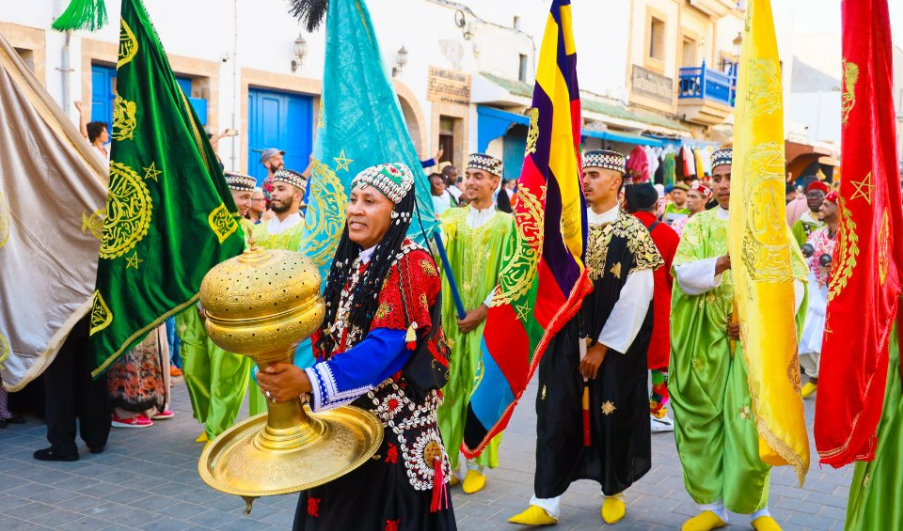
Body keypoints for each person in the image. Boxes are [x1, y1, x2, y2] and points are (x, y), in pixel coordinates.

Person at [256, 162, 456, 530]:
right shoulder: (352, 263)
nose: (355, 209)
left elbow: (388, 347)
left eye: (370, 201)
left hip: (390, 440)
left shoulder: (411, 263)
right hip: (343, 429)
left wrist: (310, 381)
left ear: (397, 212)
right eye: (352, 200)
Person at [509, 150, 662, 526]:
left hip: (612, 348)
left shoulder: (633, 233)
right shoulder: (567, 231)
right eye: (584, 174)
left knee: (611, 416)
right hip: (564, 339)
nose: (587, 182)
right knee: (554, 413)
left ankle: (613, 490)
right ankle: (545, 501)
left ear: (616, 181)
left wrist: (602, 346)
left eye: (594, 174)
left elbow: (637, 296)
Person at [670, 147, 806, 531]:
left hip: (753, 346)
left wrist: (754, 322)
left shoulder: (770, 226)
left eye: (732, 177)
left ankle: (758, 509)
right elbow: (682, 275)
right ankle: (714, 506)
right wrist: (722, 262)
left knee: (750, 425)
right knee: (705, 423)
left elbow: (793, 283)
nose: (725, 185)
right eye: (718, 178)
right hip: (705, 344)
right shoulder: (698, 225)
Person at [436, 153, 514, 494]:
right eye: (467, 175)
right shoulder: (451, 217)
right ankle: (450, 461)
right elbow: (438, 248)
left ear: (494, 183)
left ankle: (479, 460)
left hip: (488, 323)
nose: (469, 181)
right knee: (448, 389)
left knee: (482, 389)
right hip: (451, 322)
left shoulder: (507, 226)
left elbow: (514, 276)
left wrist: (482, 310)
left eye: (478, 176)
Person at [176, 171, 257, 442]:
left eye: (249, 197)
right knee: (193, 367)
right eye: (242, 196)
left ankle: (218, 430)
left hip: (230, 311)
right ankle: (209, 418)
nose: (248, 203)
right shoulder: (201, 227)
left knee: (226, 372)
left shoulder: (247, 230)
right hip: (194, 307)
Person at [247, 168, 309, 416]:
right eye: (273, 188)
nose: (274, 193)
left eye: (281, 189)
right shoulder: (256, 232)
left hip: (293, 325)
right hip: (259, 325)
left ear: (297, 195)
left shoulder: (306, 233)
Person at [628, 183, 680, 433]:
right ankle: (657, 412)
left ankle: (626, 409)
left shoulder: (618, 230)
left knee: (627, 359)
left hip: (624, 307)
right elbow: (675, 277)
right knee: (660, 363)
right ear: (656, 205)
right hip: (658, 307)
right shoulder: (668, 235)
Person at [34, 317, 111, 461]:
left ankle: (63, 445)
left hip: (59, 313)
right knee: (92, 372)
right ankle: (96, 438)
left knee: (59, 379)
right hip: (90, 309)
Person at [799, 191, 838, 399]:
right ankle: (814, 378)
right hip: (815, 299)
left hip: (837, 301)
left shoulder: (849, 237)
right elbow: (804, 257)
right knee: (806, 341)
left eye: (826, 205)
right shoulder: (816, 235)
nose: (820, 208)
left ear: (838, 208)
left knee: (826, 346)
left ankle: (828, 386)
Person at [74, 101, 110, 170]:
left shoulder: (108, 148)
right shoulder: (91, 150)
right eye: (105, 132)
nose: (108, 135)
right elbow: (84, 135)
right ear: (96, 134)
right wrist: (81, 112)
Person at [790, 180, 828, 247]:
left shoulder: (831, 223)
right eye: (810, 195)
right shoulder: (799, 225)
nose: (813, 198)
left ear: (825, 197)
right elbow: (793, 250)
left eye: (818, 195)